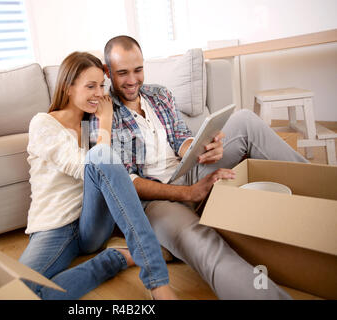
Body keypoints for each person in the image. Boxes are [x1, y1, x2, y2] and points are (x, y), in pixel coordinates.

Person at [89, 35, 309, 299]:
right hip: (155, 201)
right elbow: (126, 183)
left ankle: (319, 191)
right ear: (107, 72)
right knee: (204, 245)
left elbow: (182, 138)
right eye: (123, 73)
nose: (133, 80)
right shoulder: (103, 114)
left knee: (245, 120)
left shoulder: (159, 94)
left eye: (138, 70)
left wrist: (204, 147)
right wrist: (189, 193)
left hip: (188, 172)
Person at [18, 51, 177, 300]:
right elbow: (82, 167)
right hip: (54, 227)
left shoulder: (88, 126)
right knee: (19, 292)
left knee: (104, 156)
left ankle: (156, 280)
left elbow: (109, 173)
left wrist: (102, 124)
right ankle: (115, 259)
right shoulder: (42, 124)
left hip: (92, 225)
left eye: (102, 85)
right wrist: (105, 121)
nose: (100, 93)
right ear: (68, 88)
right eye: (90, 86)